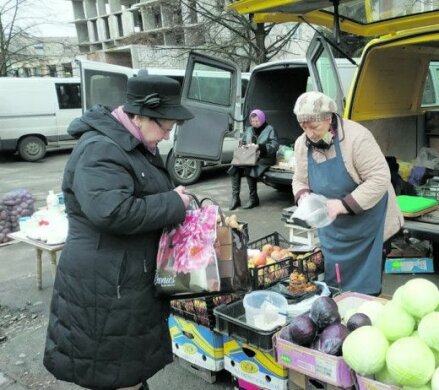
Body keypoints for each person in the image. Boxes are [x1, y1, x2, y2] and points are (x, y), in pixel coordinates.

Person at [43, 75, 194, 390]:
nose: (167, 136)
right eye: (165, 128)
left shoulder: (132, 142)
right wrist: (173, 203)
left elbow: (139, 193)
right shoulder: (100, 149)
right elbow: (113, 211)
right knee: (111, 365)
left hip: (123, 275)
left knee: (126, 364)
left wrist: (172, 199)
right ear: (139, 115)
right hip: (104, 283)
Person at [291, 91, 403, 295]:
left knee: (367, 292)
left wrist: (341, 205)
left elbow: (379, 178)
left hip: (369, 225)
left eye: (314, 127)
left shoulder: (357, 138)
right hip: (334, 229)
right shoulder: (302, 144)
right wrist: (303, 195)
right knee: (337, 288)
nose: (309, 133)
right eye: (303, 127)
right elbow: (299, 179)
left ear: (328, 118)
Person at [228, 109, 278, 210]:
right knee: (234, 167)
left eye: (257, 121)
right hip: (250, 156)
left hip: (265, 158)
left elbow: (274, 145)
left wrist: (259, 147)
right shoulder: (249, 129)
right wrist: (244, 146)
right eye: (253, 121)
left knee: (249, 168)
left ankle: (253, 198)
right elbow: (243, 142)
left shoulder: (270, 129)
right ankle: (235, 198)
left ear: (262, 119)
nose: (255, 123)